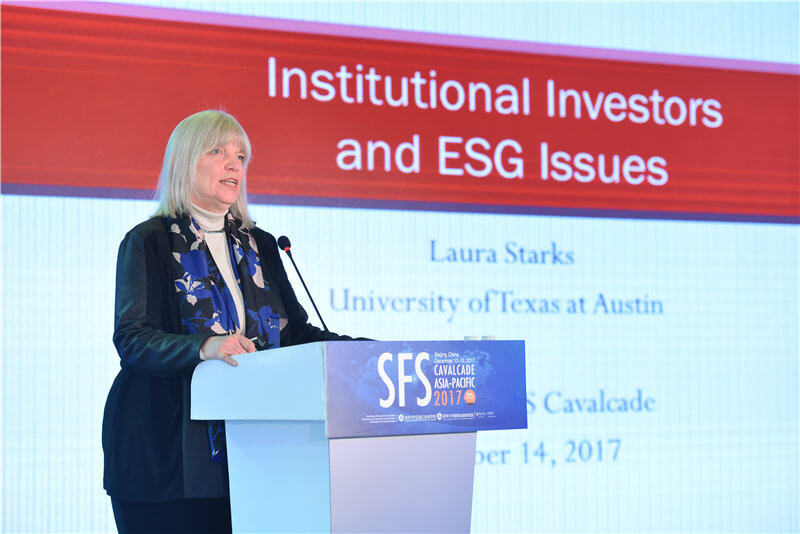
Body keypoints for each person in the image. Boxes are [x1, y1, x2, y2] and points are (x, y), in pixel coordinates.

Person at [102, 110, 356, 533]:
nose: (234, 165)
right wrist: (205, 346)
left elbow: (295, 335)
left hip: (254, 453)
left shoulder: (261, 245)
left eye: (241, 156)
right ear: (184, 161)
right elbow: (133, 339)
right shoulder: (149, 241)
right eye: (218, 152)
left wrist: (367, 352)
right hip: (166, 454)